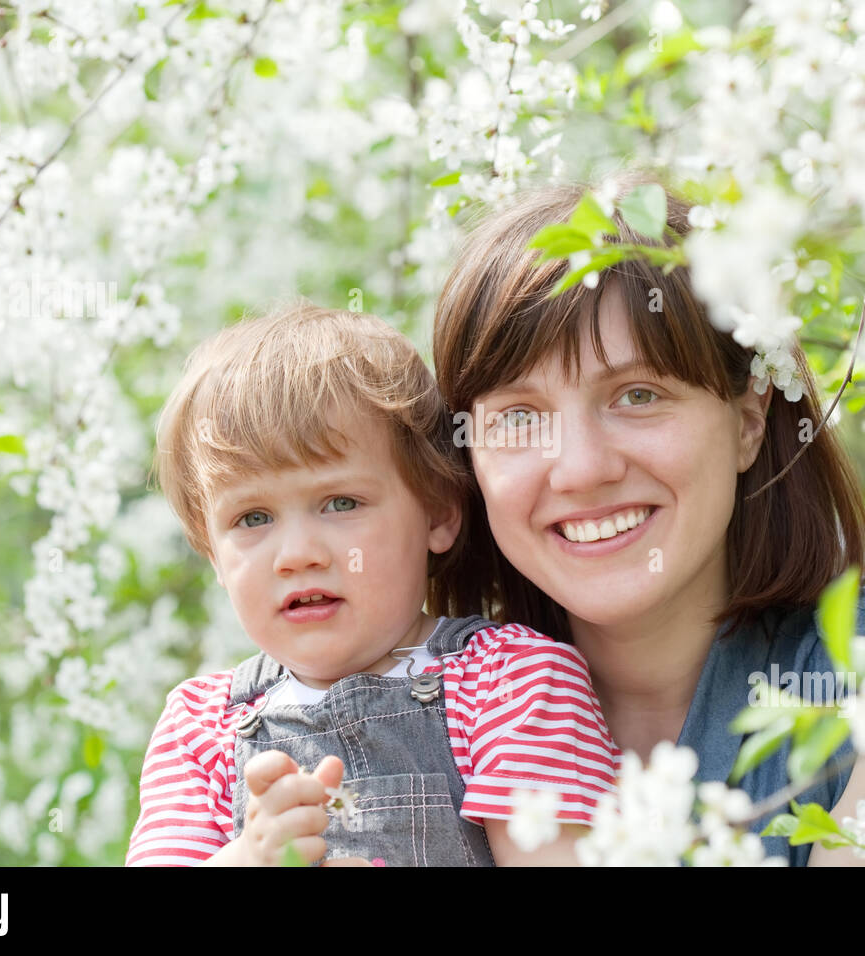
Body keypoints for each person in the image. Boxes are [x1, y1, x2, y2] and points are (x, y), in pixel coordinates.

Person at [430, 173, 865, 866]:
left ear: (748, 420)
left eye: (637, 394)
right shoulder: (406, 709)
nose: (581, 469)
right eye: (520, 417)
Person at [126, 301, 619, 866]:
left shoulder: (511, 685)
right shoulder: (200, 730)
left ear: (436, 514)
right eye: (252, 519)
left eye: (341, 503)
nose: (297, 555)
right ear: (211, 551)